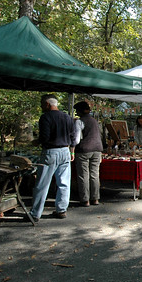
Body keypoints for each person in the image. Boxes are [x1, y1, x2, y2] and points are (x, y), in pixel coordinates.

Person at [30, 94, 76, 222]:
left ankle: (35, 213)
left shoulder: (45, 117)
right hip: (65, 151)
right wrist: (72, 152)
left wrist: (37, 142)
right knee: (64, 182)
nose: (40, 106)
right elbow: (73, 136)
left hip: (51, 152)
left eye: (41, 104)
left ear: (47, 104)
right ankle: (61, 209)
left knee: (42, 183)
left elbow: (45, 136)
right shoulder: (67, 117)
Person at [73, 101, 103, 207]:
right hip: (97, 149)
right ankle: (95, 199)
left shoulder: (79, 121)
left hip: (84, 149)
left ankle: (85, 200)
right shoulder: (95, 121)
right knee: (94, 175)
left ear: (79, 111)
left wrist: (71, 147)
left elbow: (76, 139)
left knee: (83, 175)